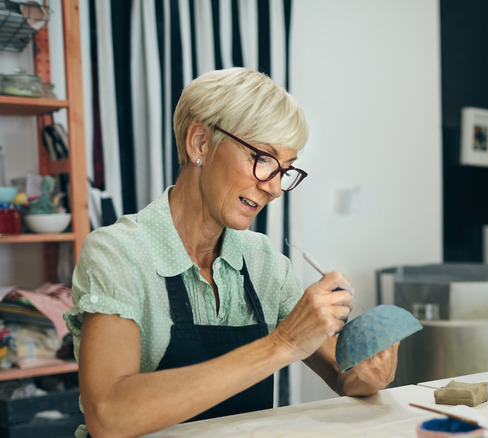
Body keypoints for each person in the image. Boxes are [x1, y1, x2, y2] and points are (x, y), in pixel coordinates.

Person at [64, 67, 399, 438]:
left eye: (285, 169)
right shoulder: (117, 253)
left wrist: (368, 375)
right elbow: (108, 415)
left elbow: (343, 377)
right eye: (264, 158)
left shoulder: (264, 261)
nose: (273, 187)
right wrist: (282, 344)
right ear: (200, 144)